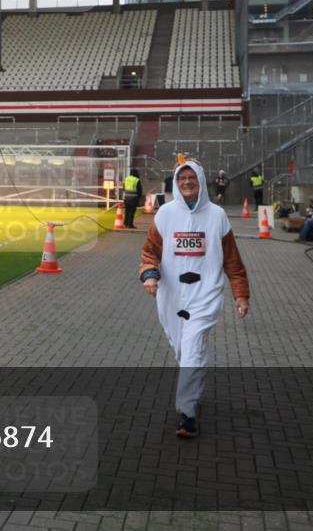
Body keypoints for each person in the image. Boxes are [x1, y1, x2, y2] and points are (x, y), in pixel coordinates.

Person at [138, 159, 250, 438]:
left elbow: (233, 261)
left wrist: (241, 294)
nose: (187, 182)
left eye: (192, 178)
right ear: (176, 183)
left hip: (205, 295)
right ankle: (194, 389)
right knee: (183, 350)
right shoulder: (165, 214)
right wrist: (150, 275)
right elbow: (149, 251)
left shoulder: (217, 216)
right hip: (172, 296)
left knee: (191, 348)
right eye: (181, 179)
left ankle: (187, 414)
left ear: (201, 180)